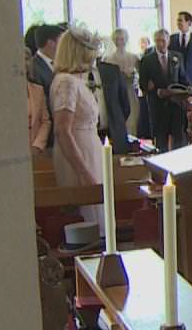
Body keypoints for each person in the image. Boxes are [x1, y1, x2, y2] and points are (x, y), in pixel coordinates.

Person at [50, 26, 107, 235]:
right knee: (88, 215)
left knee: (98, 213)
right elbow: (62, 130)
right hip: (79, 155)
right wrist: (84, 172)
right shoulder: (66, 82)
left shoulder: (75, 80)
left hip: (89, 149)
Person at [138, 28, 187, 151]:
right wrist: (150, 88)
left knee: (179, 140)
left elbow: (183, 79)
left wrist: (188, 89)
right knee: (160, 142)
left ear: (168, 41)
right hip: (158, 106)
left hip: (175, 105)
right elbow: (142, 84)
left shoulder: (177, 57)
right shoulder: (147, 60)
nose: (160, 44)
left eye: (163, 41)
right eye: (158, 41)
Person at [93, 48, 133, 154]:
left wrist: (117, 120)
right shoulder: (73, 76)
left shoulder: (112, 70)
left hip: (114, 132)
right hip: (88, 136)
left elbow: (125, 105)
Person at [104, 28, 141, 138]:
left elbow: (141, 76)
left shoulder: (134, 57)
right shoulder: (108, 59)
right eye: (117, 39)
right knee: (118, 123)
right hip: (115, 95)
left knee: (132, 122)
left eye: (122, 39)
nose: (119, 41)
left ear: (126, 40)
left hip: (130, 93)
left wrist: (133, 78)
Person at [24, 47, 50, 154]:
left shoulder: (38, 90)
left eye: (26, 59)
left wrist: (37, 145)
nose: (24, 63)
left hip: (35, 150)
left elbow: (45, 121)